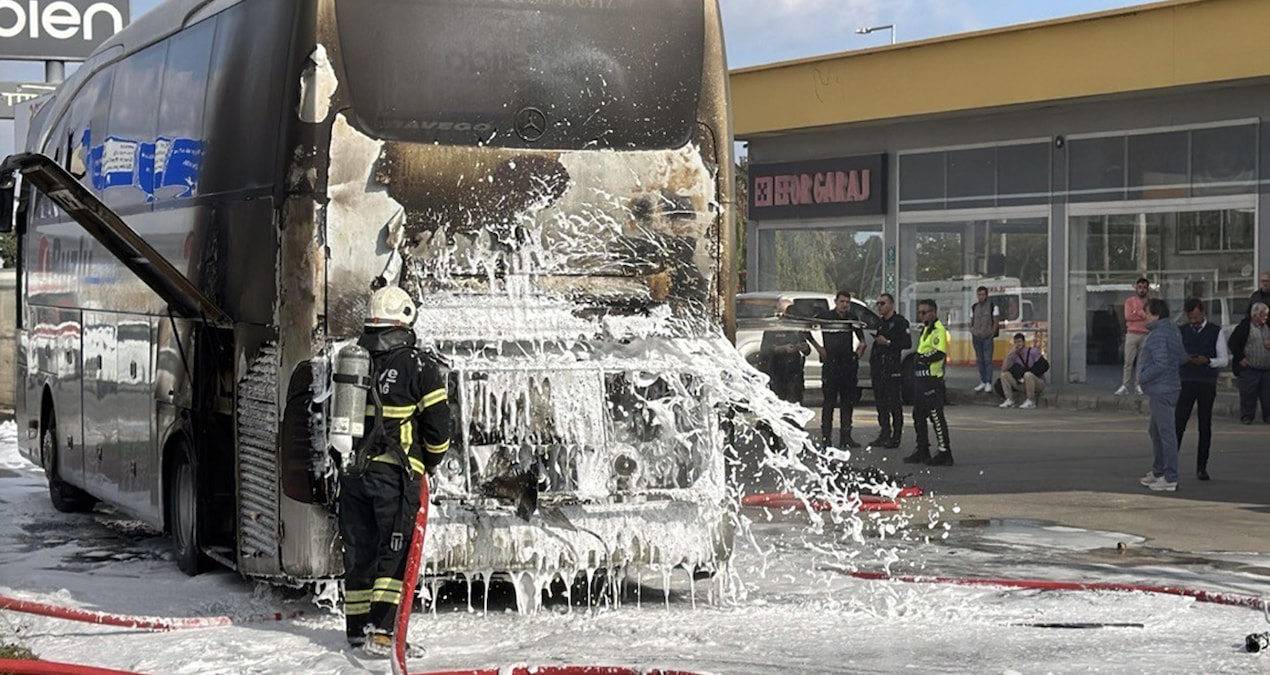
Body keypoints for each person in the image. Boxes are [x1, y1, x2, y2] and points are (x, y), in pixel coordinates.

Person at [340, 285, 451, 657]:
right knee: (395, 552)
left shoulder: (351, 359)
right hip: (395, 478)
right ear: (406, 319)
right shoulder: (420, 366)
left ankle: (357, 630)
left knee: (359, 552)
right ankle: (383, 634)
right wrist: (429, 463)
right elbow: (438, 431)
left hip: (352, 474)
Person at [1175, 298, 1229, 481]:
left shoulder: (1215, 331)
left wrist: (1208, 361)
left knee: (1204, 425)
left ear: (1203, 313)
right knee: (1178, 423)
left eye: (1196, 317)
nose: (1194, 321)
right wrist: (1186, 359)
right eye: (1191, 318)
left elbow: (1224, 359)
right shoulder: (1181, 331)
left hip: (1206, 381)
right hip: (1186, 380)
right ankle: (1170, 464)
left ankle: (1202, 467)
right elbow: (1175, 355)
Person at [1136, 298, 1187, 492]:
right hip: (1169, 386)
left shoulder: (1157, 335)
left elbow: (1160, 363)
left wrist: (1142, 377)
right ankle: (1158, 471)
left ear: (1156, 314)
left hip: (1161, 388)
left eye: (1147, 313)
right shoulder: (1173, 330)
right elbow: (1182, 357)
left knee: (1166, 434)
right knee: (1156, 431)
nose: (1144, 317)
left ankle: (1169, 477)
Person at [812, 291, 866, 448]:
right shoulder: (826, 316)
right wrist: (819, 348)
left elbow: (861, 337)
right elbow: (806, 329)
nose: (844, 305)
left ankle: (846, 436)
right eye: (842, 301)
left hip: (848, 364)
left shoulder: (852, 317)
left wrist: (859, 350)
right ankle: (826, 438)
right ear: (836, 302)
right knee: (829, 402)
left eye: (847, 302)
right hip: (831, 364)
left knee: (847, 402)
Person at [904, 298, 953, 466]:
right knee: (918, 415)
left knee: (936, 416)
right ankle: (922, 449)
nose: (921, 316)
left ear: (933, 313)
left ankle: (945, 451)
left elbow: (939, 353)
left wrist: (921, 359)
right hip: (921, 379)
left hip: (932, 380)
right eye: (919, 313)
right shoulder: (926, 329)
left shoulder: (938, 329)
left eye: (924, 312)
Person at [867, 293, 911, 449]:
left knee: (894, 402)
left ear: (891, 305)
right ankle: (884, 433)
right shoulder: (880, 323)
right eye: (878, 303)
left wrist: (889, 342)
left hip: (892, 367)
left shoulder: (899, 322)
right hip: (879, 367)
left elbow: (907, 343)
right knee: (881, 403)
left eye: (883, 303)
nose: (879, 306)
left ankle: (896, 436)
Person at [758, 299, 812, 404]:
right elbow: (765, 350)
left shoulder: (796, 328)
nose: (786, 315)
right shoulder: (772, 328)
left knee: (795, 402)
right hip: (777, 371)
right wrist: (782, 348)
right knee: (778, 402)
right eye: (784, 312)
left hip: (794, 372)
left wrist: (804, 347)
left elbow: (807, 351)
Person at [1228, 302, 1270, 425]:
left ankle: (1267, 416)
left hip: (1266, 368)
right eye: (1263, 315)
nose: (1265, 318)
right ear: (1255, 315)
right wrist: (1240, 358)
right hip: (1250, 368)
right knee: (1248, 395)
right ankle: (1247, 416)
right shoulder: (1245, 327)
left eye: (1266, 316)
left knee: (1267, 396)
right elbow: (1233, 343)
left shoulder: (1267, 327)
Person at [1116, 277, 1151, 396]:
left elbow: (1150, 318)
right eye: (1140, 287)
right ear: (1136, 287)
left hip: (1145, 334)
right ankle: (1125, 385)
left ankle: (1138, 384)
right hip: (1132, 333)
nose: (1142, 290)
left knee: (1142, 362)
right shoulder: (1129, 301)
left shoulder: (1150, 303)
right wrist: (1142, 313)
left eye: (1144, 288)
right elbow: (1127, 316)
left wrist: (1136, 312)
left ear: (1147, 289)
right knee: (1128, 361)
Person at [998, 333, 1046, 409]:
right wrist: (1009, 355)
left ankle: (1031, 401)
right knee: (1004, 375)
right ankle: (1009, 400)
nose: (1018, 344)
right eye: (1016, 342)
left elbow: (1044, 366)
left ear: (1024, 342)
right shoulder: (1014, 355)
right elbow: (1003, 369)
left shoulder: (1033, 352)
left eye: (1019, 341)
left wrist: (1030, 372)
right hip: (1022, 382)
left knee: (1028, 375)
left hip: (1037, 382)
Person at [969, 286, 1000, 393]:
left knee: (988, 360)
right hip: (976, 336)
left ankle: (988, 382)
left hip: (987, 336)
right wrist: (972, 330)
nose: (981, 297)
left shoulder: (992, 306)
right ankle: (982, 381)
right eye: (979, 294)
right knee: (980, 360)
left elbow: (996, 321)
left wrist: (992, 333)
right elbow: (972, 320)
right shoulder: (974, 307)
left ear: (986, 295)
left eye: (983, 294)